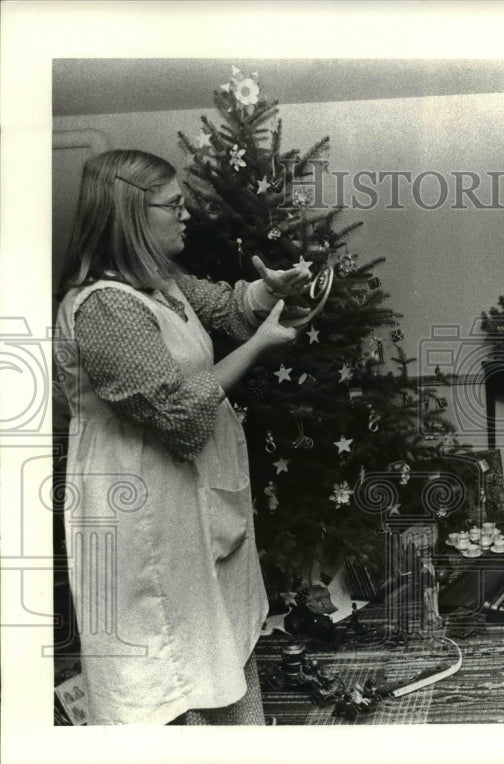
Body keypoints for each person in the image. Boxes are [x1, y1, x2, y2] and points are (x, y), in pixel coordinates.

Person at [53, 149, 311, 725]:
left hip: (183, 488)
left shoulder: (157, 285)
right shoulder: (103, 307)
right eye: (174, 205)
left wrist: (271, 290)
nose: (186, 215)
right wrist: (258, 347)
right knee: (162, 657)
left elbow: (225, 306)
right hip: (139, 502)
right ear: (131, 214)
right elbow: (173, 410)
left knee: (212, 632)